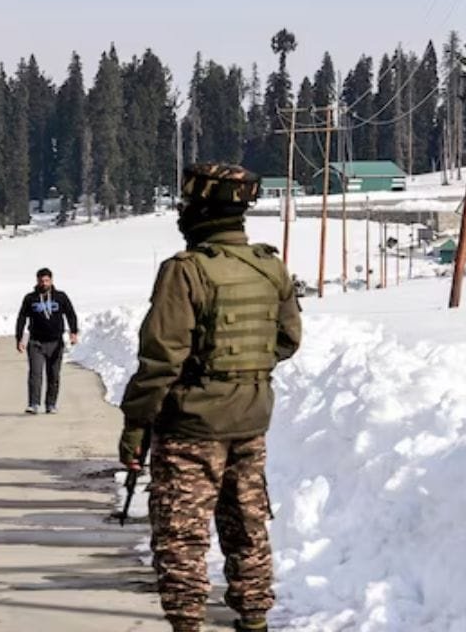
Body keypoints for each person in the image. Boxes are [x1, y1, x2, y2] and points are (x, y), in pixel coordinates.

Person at [118, 163, 302, 632]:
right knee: (247, 521)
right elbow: (287, 340)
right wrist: (241, 371)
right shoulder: (270, 265)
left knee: (182, 532)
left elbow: (161, 360)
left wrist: (136, 425)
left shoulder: (186, 271)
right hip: (252, 416)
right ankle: (255, 614)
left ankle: (186, 621)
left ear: (197, 212)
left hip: (191, 425)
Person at [15, 267, 79, 414]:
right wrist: (19, 338)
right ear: (37, 281)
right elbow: (21, 318)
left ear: (51, 280)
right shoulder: (30, 298)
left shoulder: (60, 297)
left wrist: (73, 332)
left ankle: (51, 404)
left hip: (55, 342)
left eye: (47, 280)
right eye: (41, 280)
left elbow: (71, 314)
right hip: (36, 342)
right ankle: (33, 403)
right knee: (35, 374)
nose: (44, 283)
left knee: (54, 374)